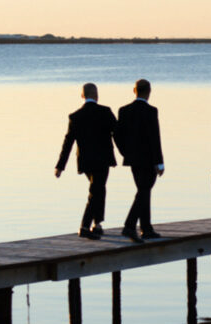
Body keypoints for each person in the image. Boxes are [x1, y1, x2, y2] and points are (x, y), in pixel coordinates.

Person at [55, 83, 118, 239]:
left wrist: (60, 166)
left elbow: (68, 142)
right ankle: (84, 226)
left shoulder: (75, 116)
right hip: (103, 160)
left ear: (82, 96)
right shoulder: (105, 112)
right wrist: (128, 153)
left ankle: (97, 224)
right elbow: (118, 133)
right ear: (97, 95)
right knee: (96, 190)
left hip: (86, 161)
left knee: (98, 188)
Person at [115, 79, 164, 242]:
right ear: (149, 91)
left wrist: (125, 152)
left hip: (133, 159)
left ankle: (146, 228)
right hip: (148, 159)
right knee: (144, 191)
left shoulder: (124, 110)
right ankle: (130, 226)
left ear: (134, 90)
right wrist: (159, 162)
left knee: (143, 191)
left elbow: (117, 135)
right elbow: (155, 138)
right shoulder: (151, 111)